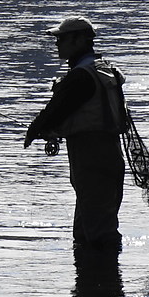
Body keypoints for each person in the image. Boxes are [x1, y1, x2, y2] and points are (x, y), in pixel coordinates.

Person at [23, 15, 129, 258]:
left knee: (98, 231)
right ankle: (92, 287)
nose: (57, 44)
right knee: (88, 226)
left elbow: (56, 109)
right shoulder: (104, 68)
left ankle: (104, 284)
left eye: (61, 39)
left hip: (91, 155)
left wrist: (34, 130)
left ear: (80, 40)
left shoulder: (81, 76)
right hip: (110, 152)